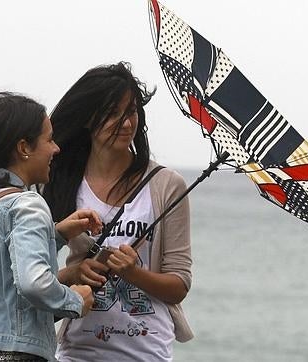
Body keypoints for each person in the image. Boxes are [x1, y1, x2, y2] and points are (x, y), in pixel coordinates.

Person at [43, 62, 194, 361]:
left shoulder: (166, 186)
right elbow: (34, 276)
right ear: (88, 118)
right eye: (112, 113)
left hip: (146, 352)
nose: (126, 123)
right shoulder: (62, 181)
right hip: (78, 350)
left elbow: (178, 285)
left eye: (131, 112)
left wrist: (133, 272)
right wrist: (75, 272)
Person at [0, 92, 100, 362]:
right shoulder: (29, 205)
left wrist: (57, 233)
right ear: (24, 147)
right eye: (49, 139)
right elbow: (34, 284)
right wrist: (75, 300)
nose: (56, 148)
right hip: (13, 353)